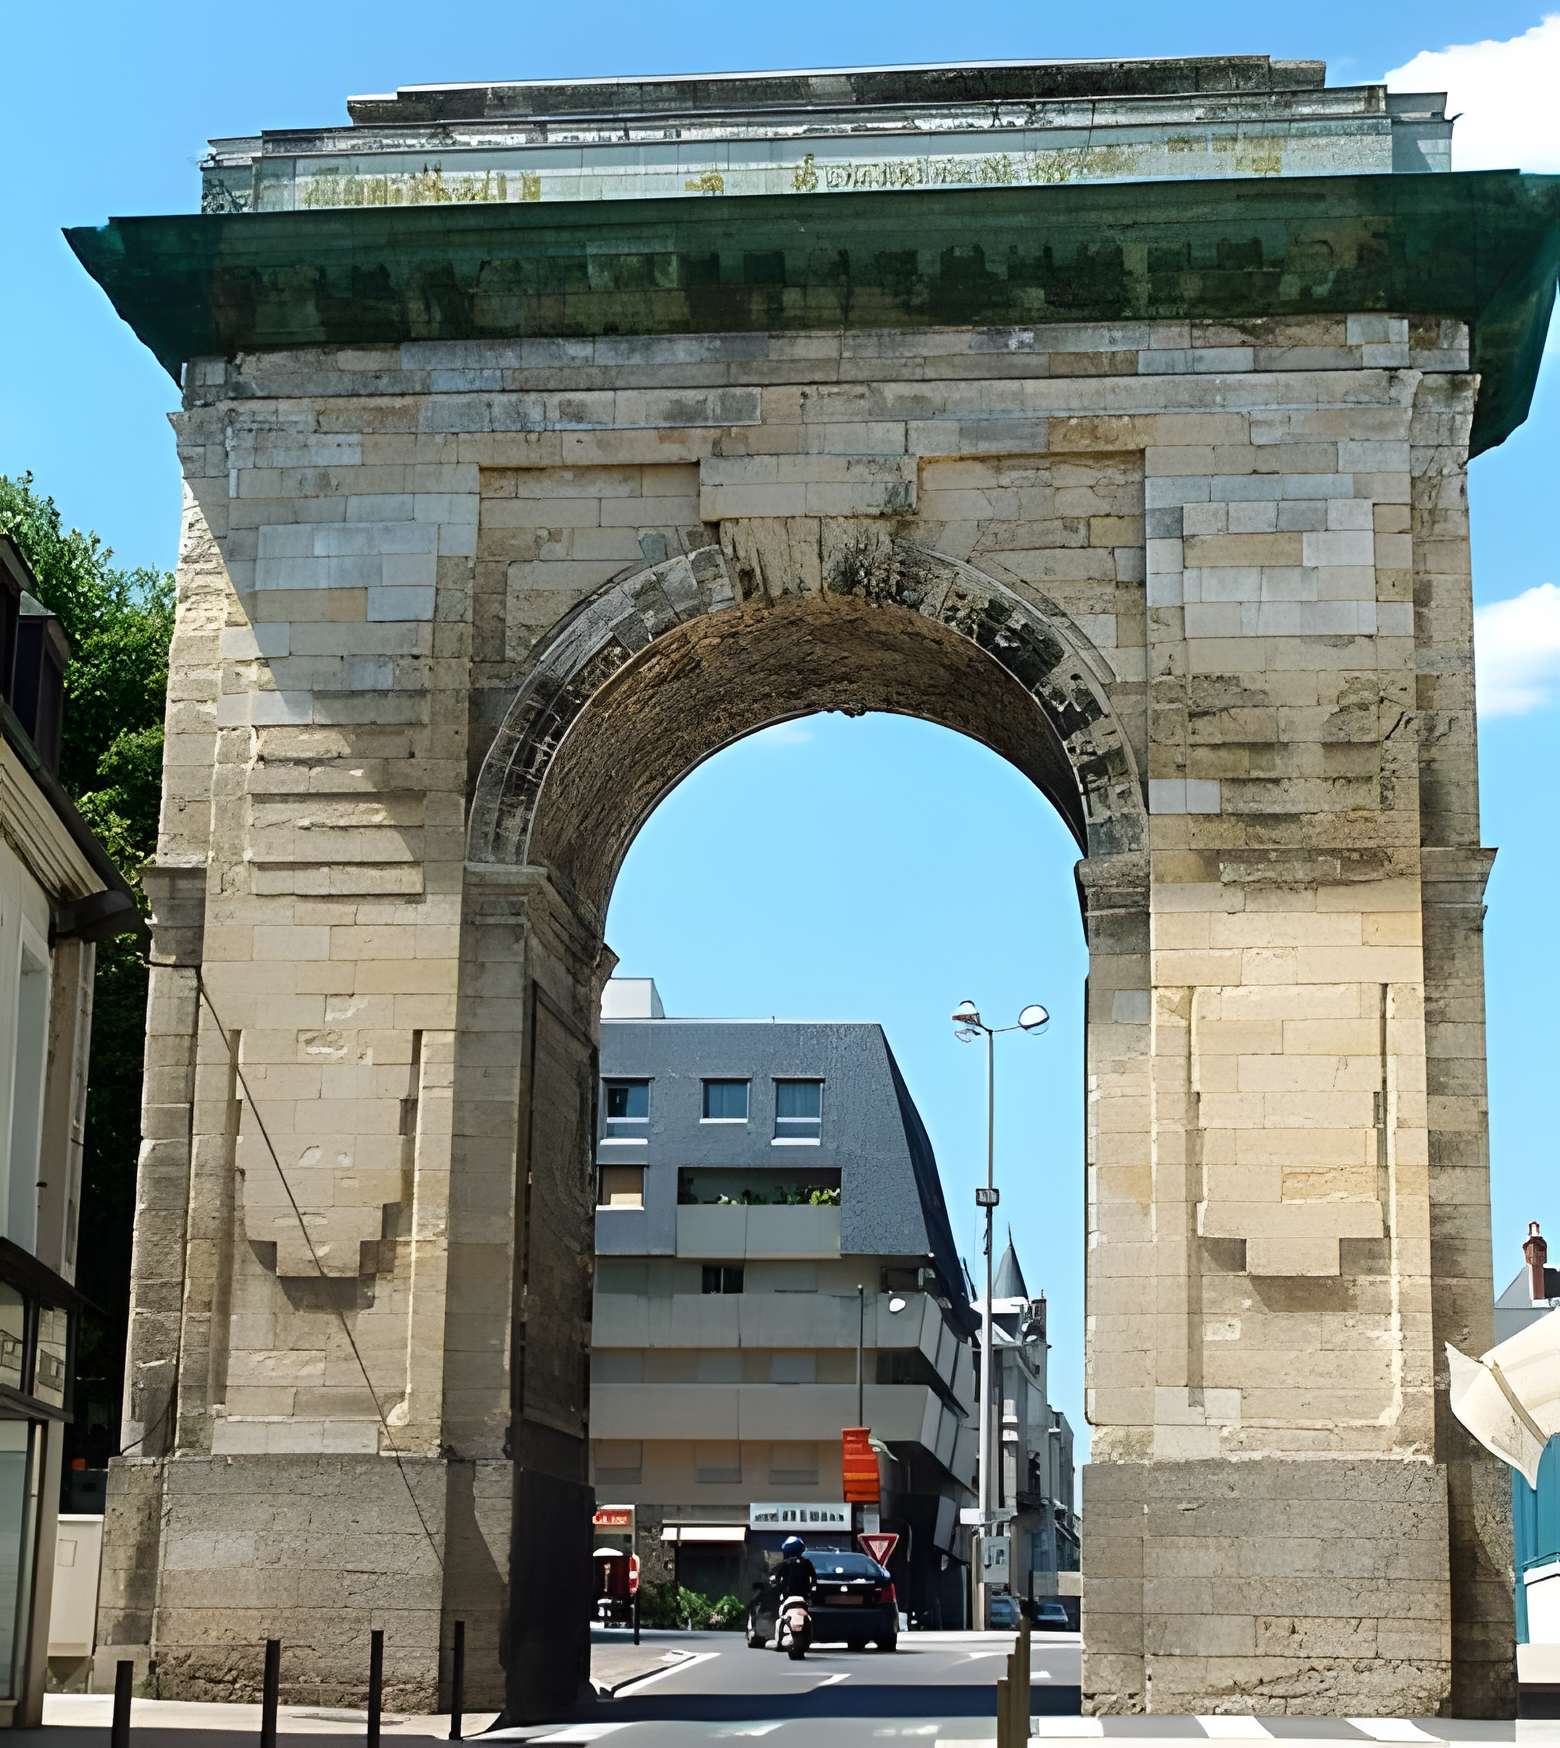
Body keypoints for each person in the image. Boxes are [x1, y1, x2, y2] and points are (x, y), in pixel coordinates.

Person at [771, 1535, 816, 1604]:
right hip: (799, 1594)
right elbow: (813, 1577)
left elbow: (777, 1576)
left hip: (792, 1594)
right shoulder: (805, 1562)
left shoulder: (786, 1563)